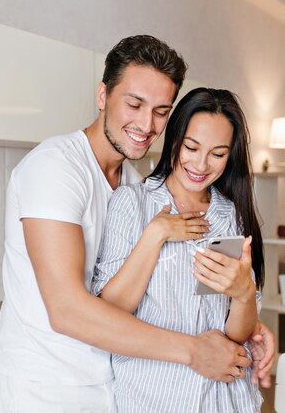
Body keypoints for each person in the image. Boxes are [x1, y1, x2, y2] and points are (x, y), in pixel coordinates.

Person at [0, 35, 275, 413]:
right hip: (46, 384)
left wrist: (245, 320)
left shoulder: (128, 181)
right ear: (103, 95)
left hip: (107, 378)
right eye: (135, 104)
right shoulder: (55, 168)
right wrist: (195, 351)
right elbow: (68, 310)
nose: (146, 123)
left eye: (160, 110)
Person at [92, 87, 264, 412]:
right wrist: (155, 234)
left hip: (227, 397)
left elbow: (237, 334)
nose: (201, 164)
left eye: (218, 153)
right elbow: (110, 312)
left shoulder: (230, 216)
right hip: (156, 399)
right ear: (174, 140)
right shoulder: (133, 203)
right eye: (191, 147)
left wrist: (244, 293)